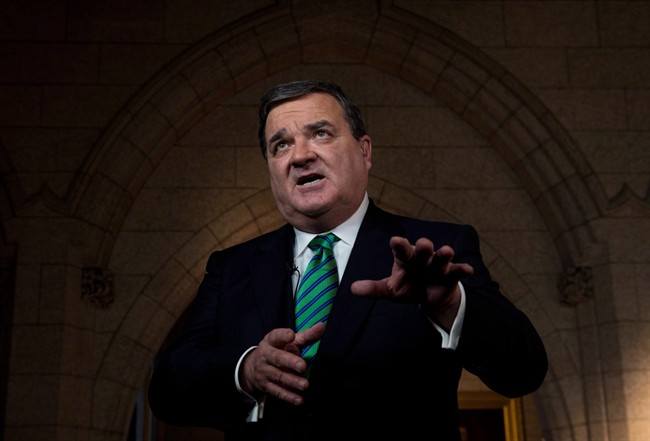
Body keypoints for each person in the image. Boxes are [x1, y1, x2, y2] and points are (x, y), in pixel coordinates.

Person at [148, 80, 547, 441]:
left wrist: (450, 305)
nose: (300, 156)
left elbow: (523, 370)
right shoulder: (231, 268)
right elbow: (166, 389)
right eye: (280, 145)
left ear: (364, 150)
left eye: (320, 133)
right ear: (271, 170)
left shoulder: (435, 248)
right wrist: (246, 370)